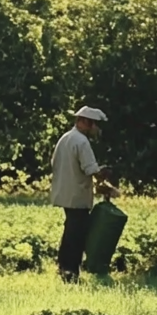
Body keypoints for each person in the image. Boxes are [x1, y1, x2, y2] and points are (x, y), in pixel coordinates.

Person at [50, 106, 111, 282]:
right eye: (94, 125)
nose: (96, 129)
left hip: (65, 193)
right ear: (84, 122)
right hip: (78, 196)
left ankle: (63, 267)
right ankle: (71, 272)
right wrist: (105, 173)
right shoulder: (82, 142)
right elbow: (91, 170)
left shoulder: (65, 138)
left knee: (70, 231)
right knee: (76, 235)